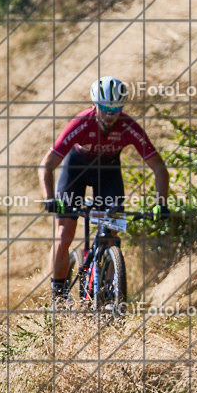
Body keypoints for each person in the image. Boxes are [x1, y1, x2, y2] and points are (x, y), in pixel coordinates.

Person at [38, 76, 170, 304]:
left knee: (111, 234)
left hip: (107, 173)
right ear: (95, 105)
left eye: (116, 109)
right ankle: (58, 294)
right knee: (64, 231)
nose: (110, 115)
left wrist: (162, 203)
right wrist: (49, 198)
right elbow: (47, 164)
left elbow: (158, 166)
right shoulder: (81, 123)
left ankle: (109, 293)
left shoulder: (128, 126)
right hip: (75, 172)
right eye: (105, 108)